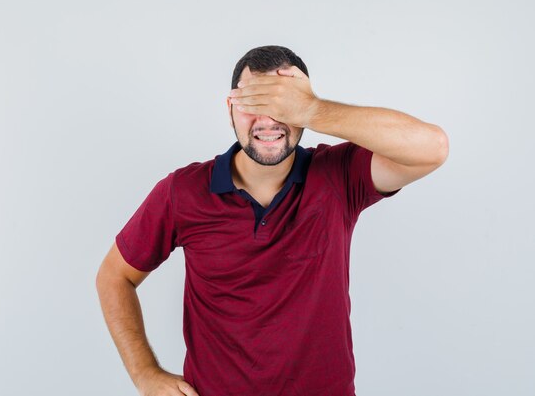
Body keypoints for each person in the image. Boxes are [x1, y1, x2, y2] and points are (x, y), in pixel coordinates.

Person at [96, 45, 449, 396]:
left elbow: (432, 148)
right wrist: (145, 374)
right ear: (230, 109)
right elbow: (114, 276)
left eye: (281, 105)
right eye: (253, 103)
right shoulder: (183, 192)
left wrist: (314, 109)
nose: (268, 121)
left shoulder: (338, 176)